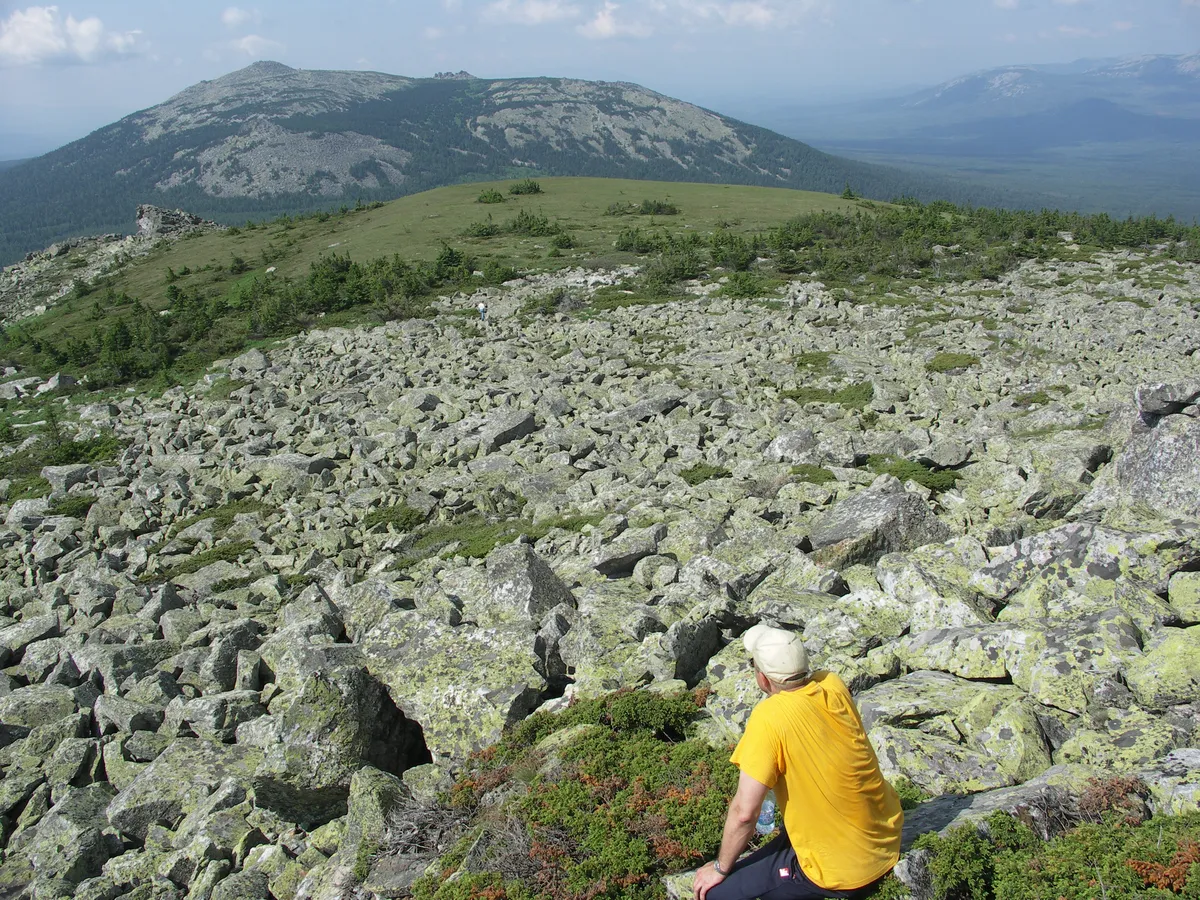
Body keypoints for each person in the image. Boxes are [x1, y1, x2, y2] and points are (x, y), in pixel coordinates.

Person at [693, 623, 903, 900]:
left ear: (764, 679)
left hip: (841, 871)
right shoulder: (832, 682)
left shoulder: (770, 718)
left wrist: (719, 869)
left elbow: (745, 813)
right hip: (884, 837)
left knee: (715, 895)